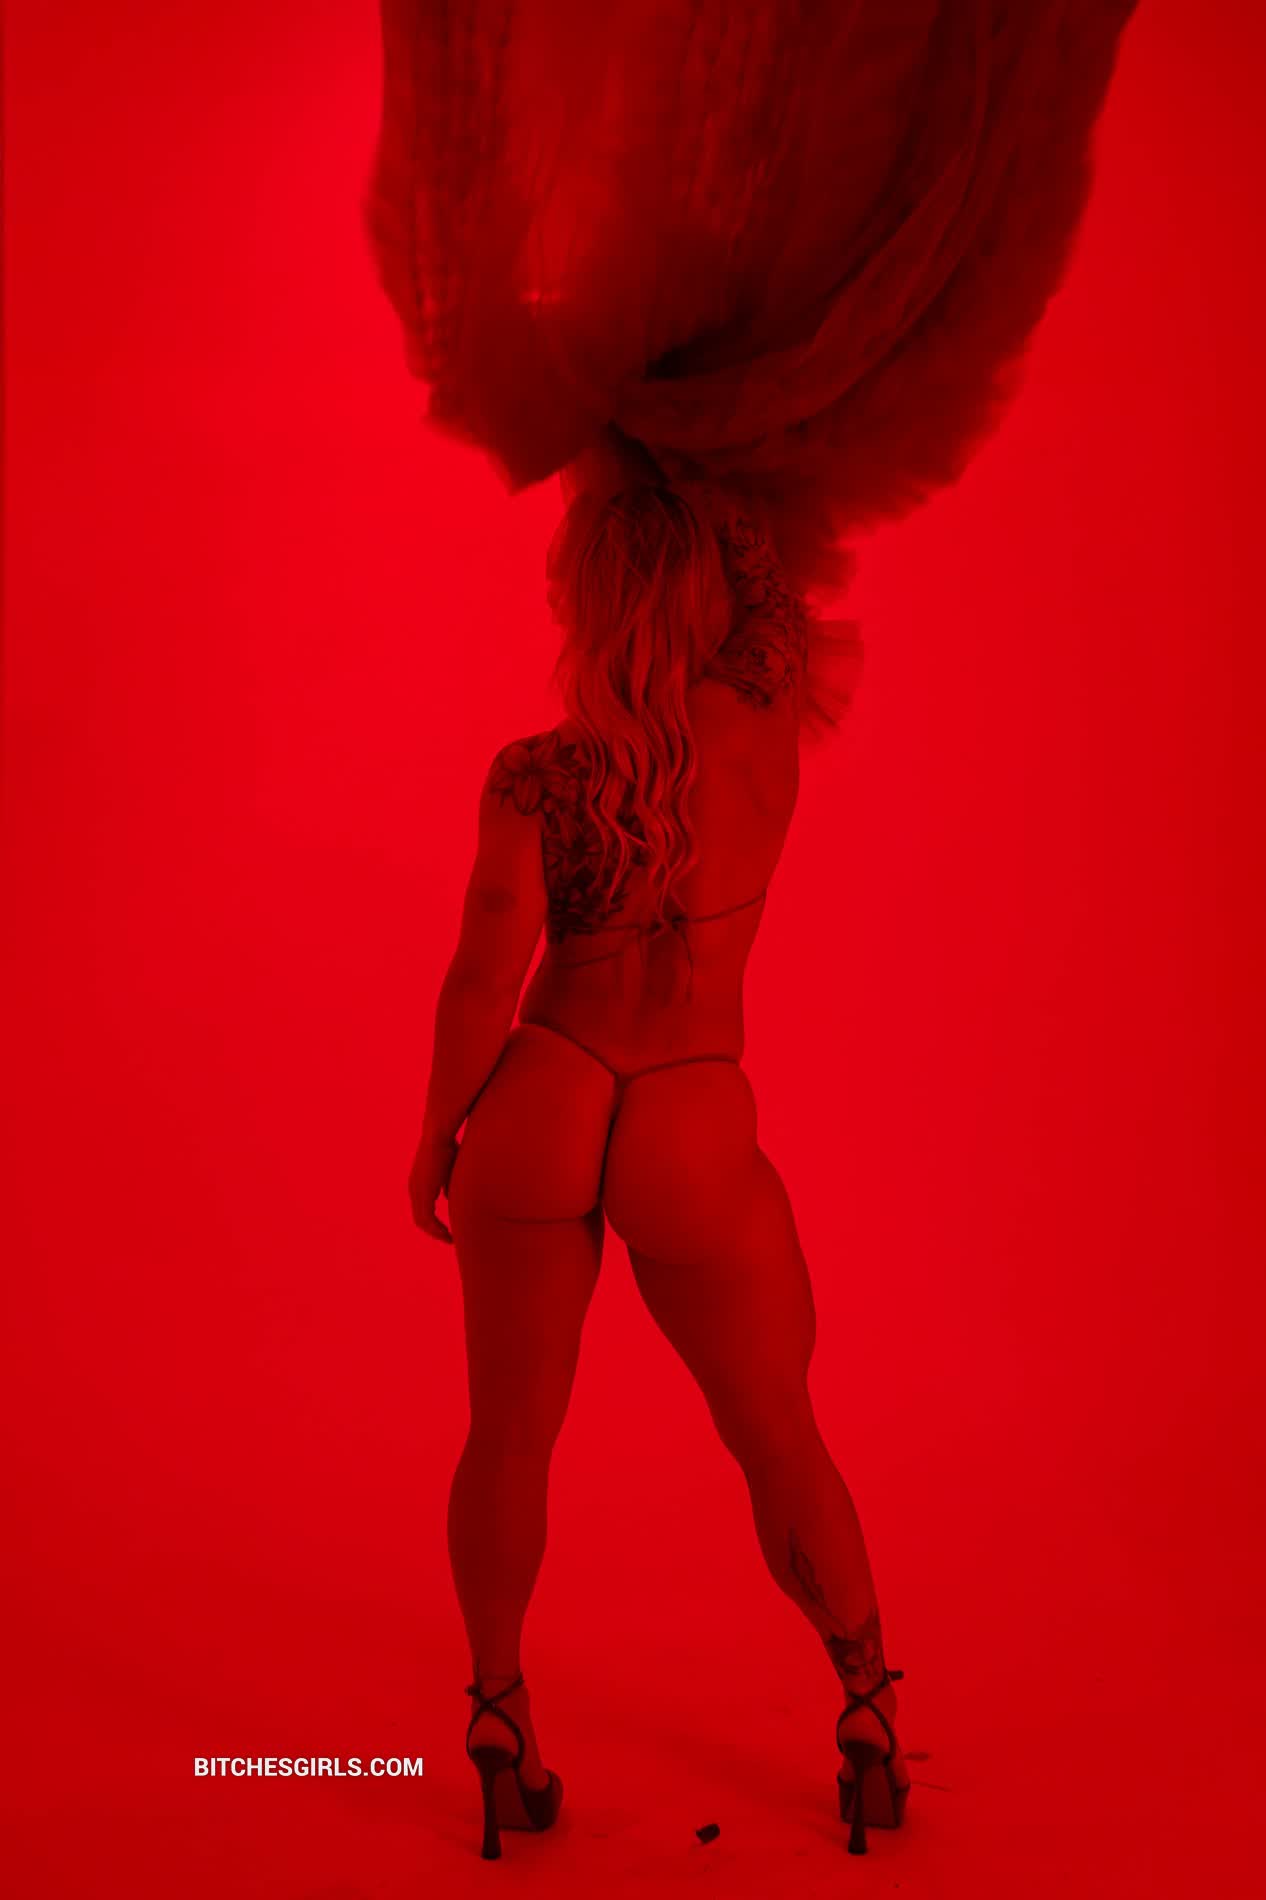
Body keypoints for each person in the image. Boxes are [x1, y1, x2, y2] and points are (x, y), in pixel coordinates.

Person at [407, 472, 907, 1860]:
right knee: (777, 1429)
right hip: (688, 1101)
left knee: (507, 1437)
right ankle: (868, 1715)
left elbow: (479, 978)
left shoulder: (535, 775)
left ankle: (497, 1720)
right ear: (703, 592)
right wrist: (688, 460)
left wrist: (436, 1133)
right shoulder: (758, 722)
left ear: (583, 597)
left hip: (545, 1087)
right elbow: (770, 587)